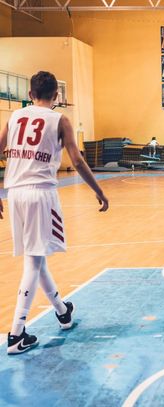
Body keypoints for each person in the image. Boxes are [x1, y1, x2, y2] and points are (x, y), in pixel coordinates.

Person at [0, 71, 109, 355]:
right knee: (33, 262)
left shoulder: (14, 117)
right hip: (40, 193)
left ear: (29, 94)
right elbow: (77, 161)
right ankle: (17, 333)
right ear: (56, 95)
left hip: (14, 194)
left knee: (37, 257)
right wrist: (99, 190)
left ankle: (62, 311)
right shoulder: (60, 120)